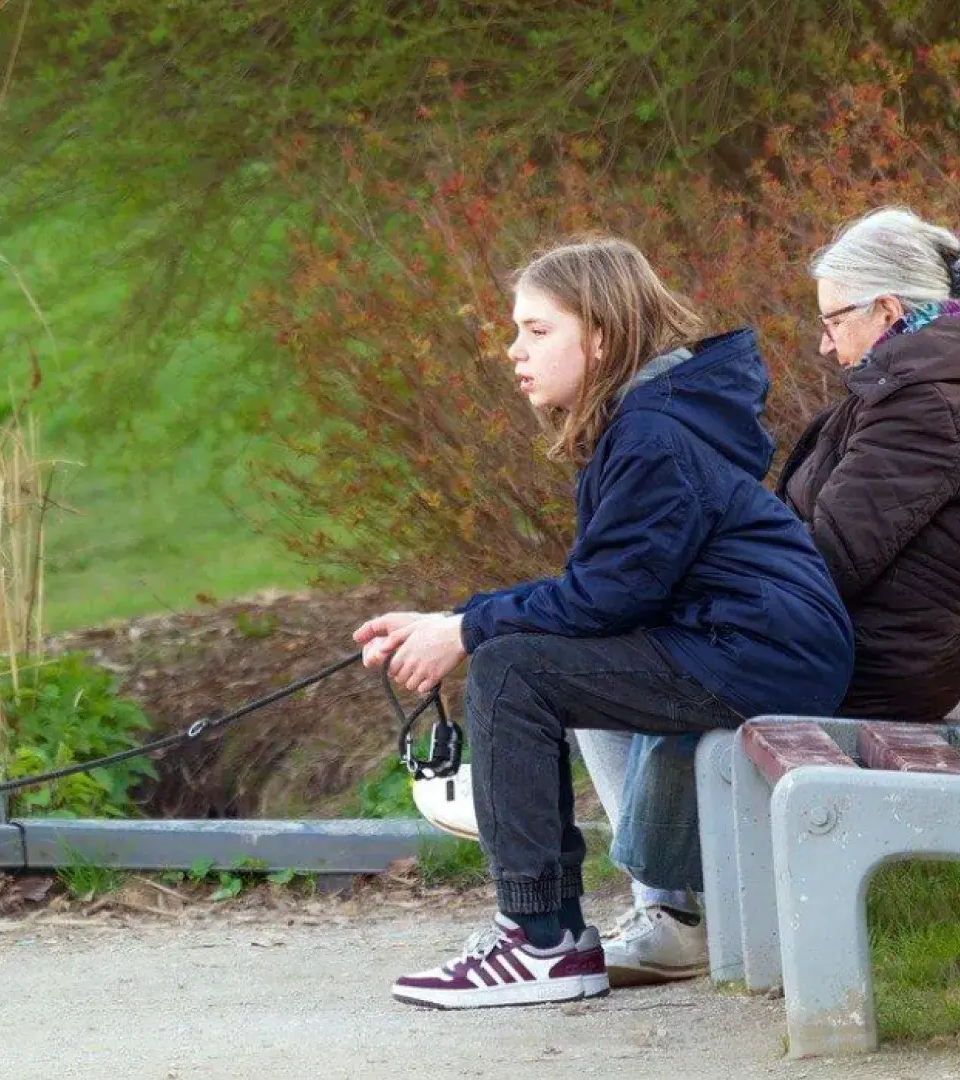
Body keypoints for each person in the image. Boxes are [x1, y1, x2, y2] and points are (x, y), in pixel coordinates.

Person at [357, 238, 853, 1010]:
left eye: (536, 330)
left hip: (756, 655)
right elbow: (606, 589)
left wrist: (465, 633)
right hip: (752, 646)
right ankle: (566, 933)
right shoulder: (649, 422)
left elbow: (602, 600)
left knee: (512, 670)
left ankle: (541, 941)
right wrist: (456, 618)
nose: (513, 351)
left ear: (602, 337)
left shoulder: (652, 436)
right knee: (525, 655)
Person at [581, 206, 960, 987]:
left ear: (889, 312)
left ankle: (673, 909)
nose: (824, 343)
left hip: (874, 666)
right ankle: (672, 905)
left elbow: (825, 563)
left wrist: (691, 594)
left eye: (835, 320)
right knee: (609, 646)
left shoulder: (925, 409)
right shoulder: (925, 388)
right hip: (875, 641)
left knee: (608, 664)